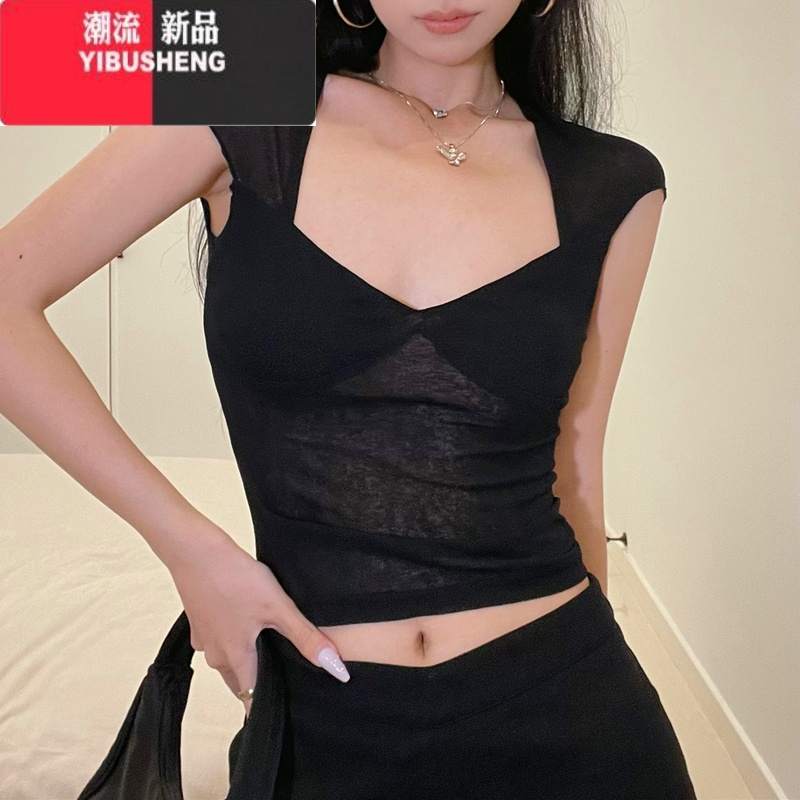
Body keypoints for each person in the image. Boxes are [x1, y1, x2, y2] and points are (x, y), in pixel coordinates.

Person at [0, 0, 698, 797]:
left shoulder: (613, 182)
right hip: (324, 708)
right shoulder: (242, 108)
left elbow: (575, 457)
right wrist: (190, 550)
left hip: (569, 701)